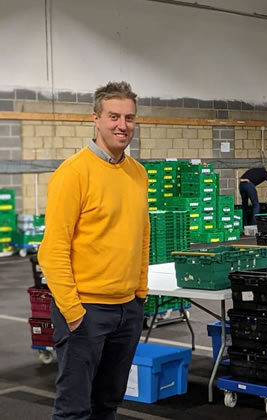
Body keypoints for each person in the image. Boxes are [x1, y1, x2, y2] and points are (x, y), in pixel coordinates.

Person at [38, 81, 149, 420]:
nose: (122, 125)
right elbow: (52, 250)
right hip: (85, 310)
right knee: (74, 410)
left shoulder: (137, 173)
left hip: (127, 310)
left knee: (108, 405)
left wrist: (140, 294)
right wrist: (73, 311)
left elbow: (141, 236)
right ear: (96, 119)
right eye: (114, 116)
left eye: (129, 118)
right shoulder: (73, 174)